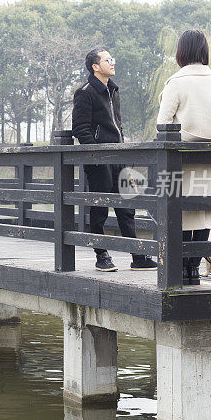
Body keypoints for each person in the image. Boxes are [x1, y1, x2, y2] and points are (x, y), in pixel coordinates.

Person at [72, 48, 158, 272]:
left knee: (126, 208)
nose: (112, 63)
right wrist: (96, 155)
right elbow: (80, 129)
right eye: (107, 60)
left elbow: (117, 126)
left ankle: (137, 256)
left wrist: (124, 152)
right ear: (95, 66)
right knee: (100, 209)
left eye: (112, 59)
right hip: (100, 160)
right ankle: (102, 256)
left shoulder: (113, 90)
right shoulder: (86, 92)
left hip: (120, 158)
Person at [156, 30, 211, 285]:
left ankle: (182, 267)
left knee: (181, 213)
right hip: (210, 157)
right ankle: (194, 269)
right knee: (205, 214)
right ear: (204, 50)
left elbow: (163, 123)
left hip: (181, 159)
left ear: (181, 52)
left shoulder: (176, 82)